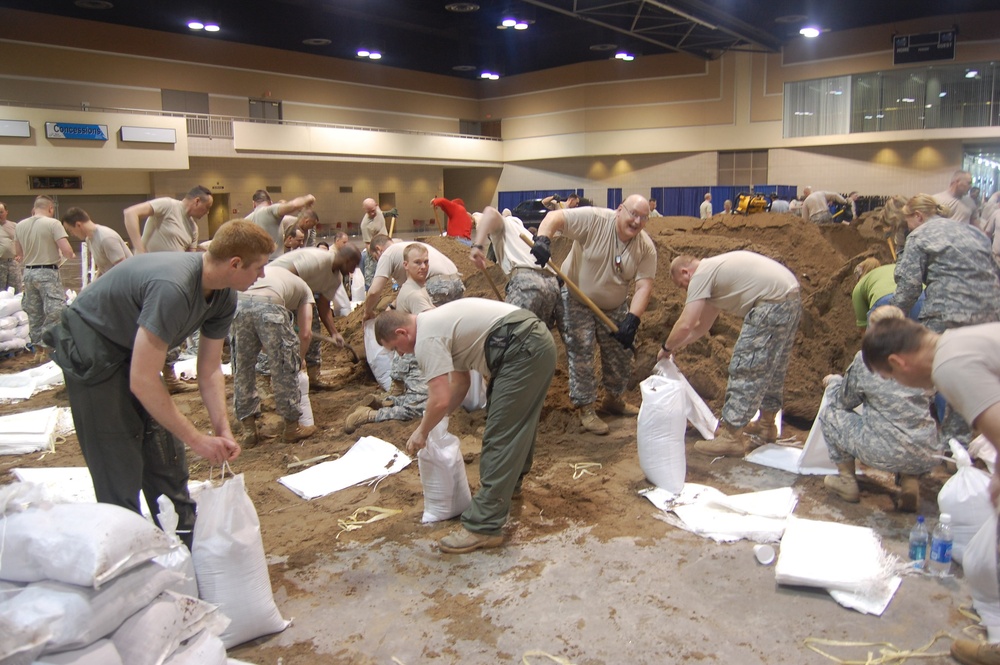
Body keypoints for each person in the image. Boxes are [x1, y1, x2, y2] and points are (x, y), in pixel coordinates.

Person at [43, 220, 273, 547]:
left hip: (132, 348)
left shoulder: (224, 296)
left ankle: (183, 543)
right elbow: (141, 379)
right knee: (118, 457)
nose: (262, 276)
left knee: (164, 453)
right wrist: (197, 439)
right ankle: (129, 551)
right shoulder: (174, 288)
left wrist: (222, 430)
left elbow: (208, 370)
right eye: (259, 267)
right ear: (235, 264)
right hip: (93, 345)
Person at [860, 316, 1000, 665]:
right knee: (983, 558)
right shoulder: (960, 341)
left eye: (891, 377)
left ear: (897, 362)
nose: (900, 384)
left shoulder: (950, 365)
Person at [374, 299, 556, 553]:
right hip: (530, 343)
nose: (401, 354)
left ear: (401, 333)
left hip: (521, 347)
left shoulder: (426, 339)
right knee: (515, 421)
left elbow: (439, 399)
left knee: (500, 435)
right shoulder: (436, 323)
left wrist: (422, 431)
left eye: (396, 348)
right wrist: (439, 419)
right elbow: (459, 386)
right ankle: (509, 487)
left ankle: (483, 527)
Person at [531, 194, 656, 434]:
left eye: (643, 218)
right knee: (582, 350)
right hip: (576, 297)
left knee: (619, 353)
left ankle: (614, 399)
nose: (637, 221)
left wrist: (633, 318)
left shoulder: (645, 248)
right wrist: (543, 240)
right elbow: (554, 217)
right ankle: (587, 408)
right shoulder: (595, 220)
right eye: (633, 214)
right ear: (620, 210)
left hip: (614, 305)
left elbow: (644, 286)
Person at [660, 251, 801, 455]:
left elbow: (686, 323)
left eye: (682, 285)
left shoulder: (701, 274)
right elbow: (701, 327)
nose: (684, 290)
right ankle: (767, 425)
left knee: (746, 366)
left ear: (685, 272)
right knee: (773, 367)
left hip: (770, 305)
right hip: (790, 300)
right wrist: (674, 348)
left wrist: (665, 347)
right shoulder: (715, 273)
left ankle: (731, 437)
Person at [890, 193, 1000, 446]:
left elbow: (909, 286)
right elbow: (994, 271)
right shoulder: (972, 232)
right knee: (968, 381)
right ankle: (955, 447)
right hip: (989, 314)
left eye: (908, 221)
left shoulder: (920, 235)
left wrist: (894, 320)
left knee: (919, 371)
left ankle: (910, 444)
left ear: (918, 216)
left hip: (947, 312)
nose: (908, 227)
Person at [819, 306, 940, 510]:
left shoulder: (866, 360)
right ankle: (910, 482)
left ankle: (847, 481)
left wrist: (834, 383)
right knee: (909, 421)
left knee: (831, 413)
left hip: (882, 451)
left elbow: (844, 401)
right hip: (926, 451)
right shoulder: (924, 358)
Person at [344, 243, 432, 433]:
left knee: (415, 398)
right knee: (420, 408)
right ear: (405, 265)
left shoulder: (408, 288)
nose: (423, 267)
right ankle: (370, 415)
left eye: (426, 262)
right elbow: (428, 333)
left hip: (411, 357)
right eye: (417, 262)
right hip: (418, 357)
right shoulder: (416, 294)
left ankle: (386, 402)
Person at [232, 264, 317, 445]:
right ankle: (292, 428)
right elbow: (306, 333)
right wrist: (300, 358)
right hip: (269, 306)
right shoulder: (305, 290)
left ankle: (249, 431)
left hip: (239, 305)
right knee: (284, 366)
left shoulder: (276, 274)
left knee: (243, 368)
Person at [270, 244, 362, 388]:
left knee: (313, 328)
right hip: (274, 292)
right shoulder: (317, 259)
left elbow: (324, 306)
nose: (353, 270)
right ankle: (267, 380)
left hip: (301, 298)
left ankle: (313, 377)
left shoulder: (336, 279)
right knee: (277, 338)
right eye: (353, 265)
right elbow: (285, 276)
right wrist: (287, 318)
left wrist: (334, 333)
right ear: (346, 260)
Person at [470, 206, 561, 325]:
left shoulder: (502, 226)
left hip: (528, 282)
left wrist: (478, 246)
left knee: (512, 334)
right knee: (536, 339)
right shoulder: (521, 231)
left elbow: (489, 213)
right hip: (552, 285)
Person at [14, 195, 74, 348]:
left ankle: (36, 347)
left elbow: (18, 252)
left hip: (28, 273)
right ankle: (49, 345)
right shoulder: (53, 223)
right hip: (47, 272)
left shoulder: (20, 225)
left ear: (34, 208)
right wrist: (70, 255)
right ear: (50, 208)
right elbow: (66, 250)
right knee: (55, 310)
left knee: (34, 313)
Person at [363, 236, 463, 320]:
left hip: (437, 283)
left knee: (428, 321)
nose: (377, 261)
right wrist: (392, 306)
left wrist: (367, 312)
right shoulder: (406, 247)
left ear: (379, 249)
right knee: (448, 318)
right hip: (457, 281)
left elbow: (374, 291)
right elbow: (409, 290)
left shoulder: (387, 254)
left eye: (375, 257)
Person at [123, 185, 212, 254]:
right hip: (148, 270)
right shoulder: (168, 205)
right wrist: (140, 251)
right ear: (197, 201)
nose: (207, 212)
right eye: (207, 207)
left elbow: (189, 258)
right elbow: (130, 213)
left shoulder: (194, 229)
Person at [851, 257, 923, 333]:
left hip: (886, 301)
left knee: (879, 342)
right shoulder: (893, 266)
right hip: (921, 296)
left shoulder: (860, 285)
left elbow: (863, 327)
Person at [61, 207, 132, 278]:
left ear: (78, 225)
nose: (72, 234)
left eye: (70, 230)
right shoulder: (89, 239)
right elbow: (103, 268)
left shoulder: (106, 238)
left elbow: (123, 270)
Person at [245, 190, 316, 260]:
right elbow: (293, 205)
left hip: (255, 265)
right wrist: (308, 198)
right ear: (271, 203)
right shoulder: (270, 210)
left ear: (254, 203)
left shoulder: (245, 221)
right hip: (274, 261)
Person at [360, 197, 388, 290]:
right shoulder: (365, 225)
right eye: (369, 212)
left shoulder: (378, 211)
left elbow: (380, 212)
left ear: (376, 206)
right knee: (372, 279)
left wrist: (389, 213)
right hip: (375, 253)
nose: (372, 213)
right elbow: (368, 245)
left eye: (373, 210)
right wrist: (377, 256)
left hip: (386, 247)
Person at [0, 202, 22, 293]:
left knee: (16, 290)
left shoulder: (14, 226)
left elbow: (21, 241)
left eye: (1, 212)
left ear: (6, 212)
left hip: (12, 262)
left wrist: (20, 254)